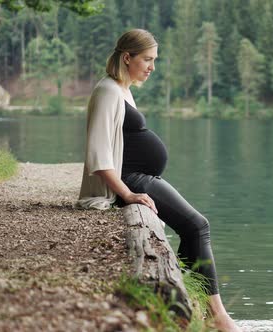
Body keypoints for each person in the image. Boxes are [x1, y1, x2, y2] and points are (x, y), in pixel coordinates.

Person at [77, 29, 241, 332]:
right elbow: (98, 156)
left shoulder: (123, 88)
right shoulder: (108, 91)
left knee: (194, 227)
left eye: (155, 60)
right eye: (147, 60)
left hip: (140, 177)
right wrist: (127, 194)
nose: (152, 67)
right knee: (197, 226)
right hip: (131, 180)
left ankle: (203, 308)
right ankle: (217, 316)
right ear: (127, 58)